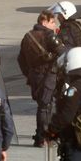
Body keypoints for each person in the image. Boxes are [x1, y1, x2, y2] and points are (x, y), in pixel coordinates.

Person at [17, 9, 64, 146]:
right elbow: (63, 53)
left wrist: (29, 73)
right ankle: (44, 137)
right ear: (44, 22)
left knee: (42, 105)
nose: (54, 25)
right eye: (52, 22)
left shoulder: (28, 36)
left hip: (34, 75)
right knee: (46, 106)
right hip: (48, 74)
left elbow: (21, 59)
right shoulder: (49, 36)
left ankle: (41, 136)